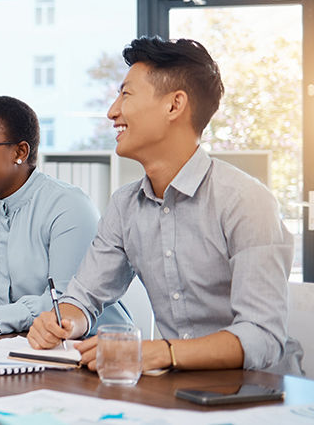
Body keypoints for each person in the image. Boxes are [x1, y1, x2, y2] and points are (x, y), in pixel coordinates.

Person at [27, 36, 303, 375]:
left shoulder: (246, 201)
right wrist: (63, 321)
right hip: (173, 391)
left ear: (174, 106)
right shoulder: (124, 205)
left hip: (257, 394)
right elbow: (83, 297)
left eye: (125, 94)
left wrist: (162, 352)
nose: (112, 111)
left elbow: (262, 336)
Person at [0, 96, 131, 335]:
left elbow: (68, 302)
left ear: (19, 151)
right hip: (8, 352)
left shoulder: (68, 206)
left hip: (94, 350)